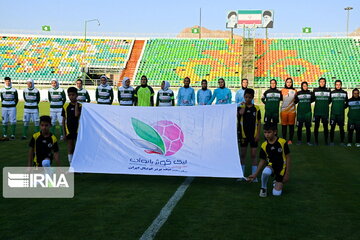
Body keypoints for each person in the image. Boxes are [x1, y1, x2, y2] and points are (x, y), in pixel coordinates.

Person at [248, 122, 291, 198]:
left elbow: (288, 157)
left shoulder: (282, 142)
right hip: (271, 166)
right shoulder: (264, 145)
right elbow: (262, 160)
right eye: (265, 132)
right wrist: (255, 174)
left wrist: (287, 174)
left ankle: (276, 182)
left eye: (269, 132)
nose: (267, 134)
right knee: (265, 172)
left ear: (275, 132)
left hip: (282, 168)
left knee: (276, 194)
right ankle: (263, 188)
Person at [238, 88, 261, 181]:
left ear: (252, 97)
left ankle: (254, 176)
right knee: (243, 154)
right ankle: (241, 175)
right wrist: (243, 106)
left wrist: (258, 134)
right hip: (243, 134)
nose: (248, 99)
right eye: (246, 97)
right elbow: (240, 114)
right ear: (244, 96)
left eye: (250, 97)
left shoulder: (257, 109)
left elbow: (259, 122)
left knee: (253, 154)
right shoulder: (240, 107)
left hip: (253, 134)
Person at [62, 87, 81, 164]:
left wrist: (76, 104)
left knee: (77, 147)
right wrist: (64, 133)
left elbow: (76, 114)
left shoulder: (80, 106)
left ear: (77, 95)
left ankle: (78, 164)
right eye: (69, 95)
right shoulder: (65, 106)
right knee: (70, 147)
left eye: (73, 95)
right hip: (69, 129)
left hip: (78, 129)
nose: (71, 97)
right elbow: (63, 120)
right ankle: (71, 164)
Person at [313, 78, 331, 145]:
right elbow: (312, 99)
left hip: (325, 112)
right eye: (321, 82)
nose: (322, 83)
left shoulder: (328, 91)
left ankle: (326, 141)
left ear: (325, 83)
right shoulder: (315, 90)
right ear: (319, 83)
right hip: (317, 112)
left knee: (325, 127)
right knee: (316, 126)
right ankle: (316, 141)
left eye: (323, 82)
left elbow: (330, 100)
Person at [329, 80, 348, 146]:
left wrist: (343, 107)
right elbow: (329, 101)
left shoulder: (344, 93)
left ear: (341, 85)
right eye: (337, 84)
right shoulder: (332, 93)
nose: (338, 86)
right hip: (333, 114)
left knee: (341, 128)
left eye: (339, 84)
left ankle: (342, 142)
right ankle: (331, 142)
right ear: (335, 85)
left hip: (341, 114)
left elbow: (347, 102)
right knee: (332, 128)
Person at [280, 78, 297, 144]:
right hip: (283, 111)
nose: (289, 83)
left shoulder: (295, 91)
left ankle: (290, 140)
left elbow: (297, 100)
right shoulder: (282, 90)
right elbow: (280, 99)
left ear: (292, 83)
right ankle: (284, 139)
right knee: (284, 126)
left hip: (292, 111)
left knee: (291, 126)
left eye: (290, 82)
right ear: (285, 83)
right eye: (287, 82)